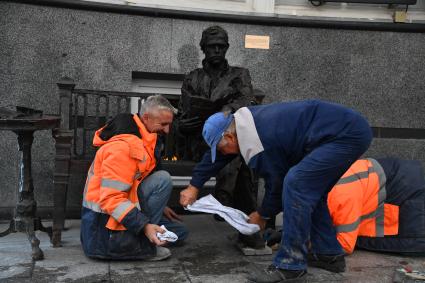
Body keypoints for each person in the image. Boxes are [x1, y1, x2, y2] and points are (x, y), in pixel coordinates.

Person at [180, 99, 372, 282]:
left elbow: (277, 184)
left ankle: (291, 265)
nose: (222, 154)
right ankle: (328, 254)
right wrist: (194, 186)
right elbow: (219, 156)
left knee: (296, 184)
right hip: (340, 131)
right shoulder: (241, 124)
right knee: (311, 192)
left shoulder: (260, 141)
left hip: (345, 136)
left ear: (230, 136)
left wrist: (263, 215)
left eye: (221, 149)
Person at [177, 26, 263, 247]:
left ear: (226, 48)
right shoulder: (192, 78)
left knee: (236, 158)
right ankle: (243, 222)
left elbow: (248, 102)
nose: (216, 49)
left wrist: (224, 111)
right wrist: (189, 121)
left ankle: (228, 203)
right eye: (211, 46)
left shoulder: (239, 74)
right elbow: (184, 115)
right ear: (203, 48)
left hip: (230, 138)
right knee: (234, 159)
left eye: (220, 46)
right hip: (201, 141)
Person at [80, 95, 188, 261]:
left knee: (180, 233)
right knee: (163, 179)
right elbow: (111, 199)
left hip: (121, 210)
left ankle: (149, 232)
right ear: (146, 118)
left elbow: (138, 181)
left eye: (169, 125)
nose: (167, 130)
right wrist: (144, 226)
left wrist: (160, 205)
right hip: (102, 230)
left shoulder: (145, 137)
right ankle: (145, 239)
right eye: (163, 124)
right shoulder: (123, 147)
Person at [265, 157, 425, 256]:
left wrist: (297, 243)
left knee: (400, 243)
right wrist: (287, 233)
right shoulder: (321, 181)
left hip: (408, 203)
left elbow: (343, 245)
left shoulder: (340, 195)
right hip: (399, 181)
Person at [328, 157, 425, 255]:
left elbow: (344, 245)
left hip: (403, 191)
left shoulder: (340, 196)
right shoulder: (330, 177)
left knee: (411, 242)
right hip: (400, 179)